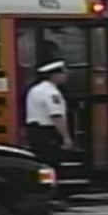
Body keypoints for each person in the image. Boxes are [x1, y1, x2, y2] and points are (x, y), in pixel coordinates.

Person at [25, 59, 74, 196]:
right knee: (51, 165)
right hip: (46, 132)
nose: (66, 76)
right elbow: (56, 116)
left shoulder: (35, 89)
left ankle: (44, 191)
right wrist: (66, 137)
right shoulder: (51, 93)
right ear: (54, 75)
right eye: (63, 73)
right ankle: (50, 193)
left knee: (42, 164)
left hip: (35, 131)